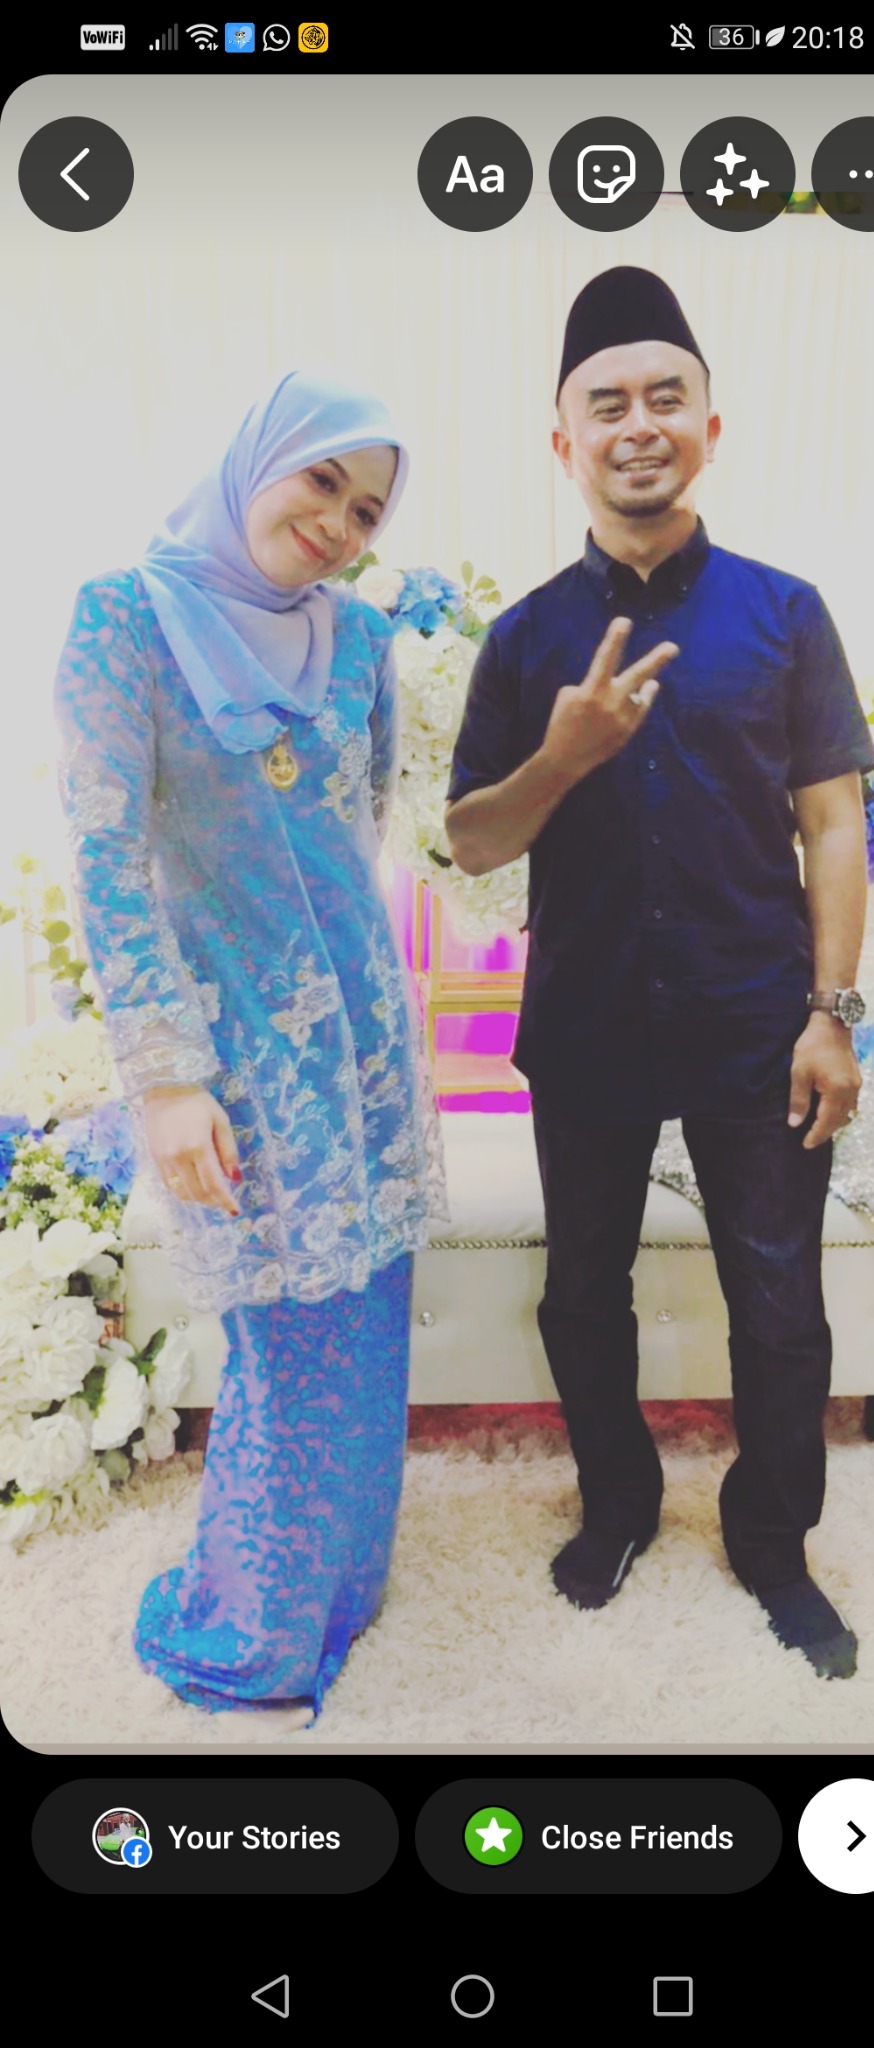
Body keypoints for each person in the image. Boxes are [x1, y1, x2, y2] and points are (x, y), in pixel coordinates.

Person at [446, 269, 874, 1680]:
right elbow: (471, 840)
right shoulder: (524, 639)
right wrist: (560, 756)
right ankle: (619, 1505)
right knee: (583, 1291)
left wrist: (832, 1014)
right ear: (562, 440)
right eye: (606, 404)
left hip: (759, 1019)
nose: (637, 424)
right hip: (582, 1020)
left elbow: (831, 825)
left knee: (781, 1305)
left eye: (664, 397)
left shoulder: (785, 613)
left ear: (708, 424)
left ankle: (772, 1540)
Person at [54, 374, 444, 1731]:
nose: (338, 523)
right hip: (228, 1049)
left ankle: (341, 1589)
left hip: (367, 1032)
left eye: (368, 511)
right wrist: (166, 1077)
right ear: (254, 463)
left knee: (369, 1318)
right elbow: (106, 860)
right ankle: (257, 1631)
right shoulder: (124, 615)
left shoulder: (361, 639)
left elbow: (362, 822)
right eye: (321, 480)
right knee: (287, 1337)